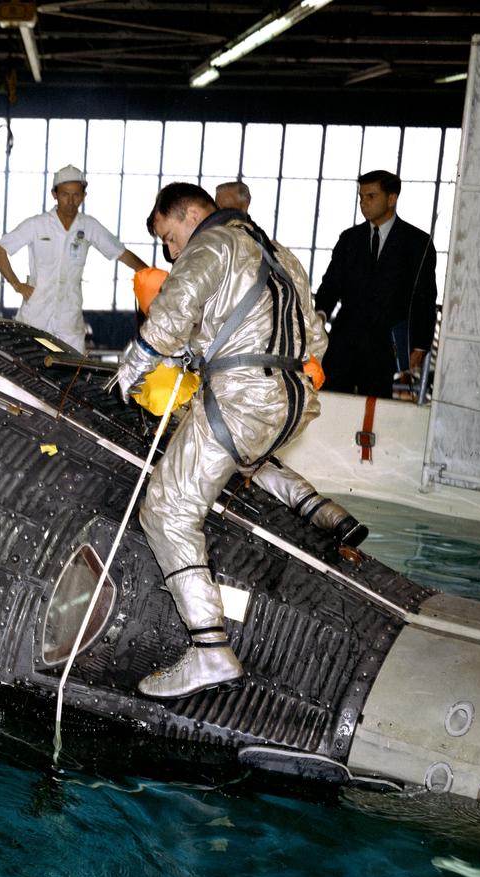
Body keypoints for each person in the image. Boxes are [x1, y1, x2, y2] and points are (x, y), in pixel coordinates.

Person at [116, 183, 327, 699]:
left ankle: (209, 650)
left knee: (167, 510)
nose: (169, 251)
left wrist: (134, 364)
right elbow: (316, 337)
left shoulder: (212, 244)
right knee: (234, 453)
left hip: (243, 397)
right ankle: (318, 508)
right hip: (292, 401)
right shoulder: (278, 252)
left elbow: (173, 308)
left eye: (168, 236)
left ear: (189, 214)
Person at [0, 165, 147, 353]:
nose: (71, 201)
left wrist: (148, 273)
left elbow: (121, 253)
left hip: (69, 319)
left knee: (73, 373)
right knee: (26, 368)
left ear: (84, 196)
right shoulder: (37, 225)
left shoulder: (88, 226)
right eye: (65, 194)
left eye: (76, 195)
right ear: (54, 194)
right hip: (35, 315)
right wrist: (17, 285)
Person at [315, 169, 437, 396]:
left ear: (391, 199)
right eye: (361, 197)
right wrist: (320, 315)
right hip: (343, 342)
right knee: (329, 402)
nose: (363, 203)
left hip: (386, 348)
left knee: (372, 414)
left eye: (371, 196)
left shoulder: (417, 243)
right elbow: (331, 284)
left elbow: (425, 298)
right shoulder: (349, 239)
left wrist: (419, 345)